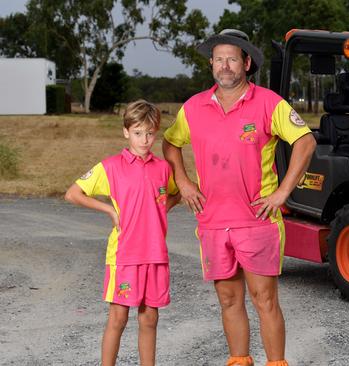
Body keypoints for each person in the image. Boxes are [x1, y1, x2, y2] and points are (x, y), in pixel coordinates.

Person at [162, 29, 316, 366]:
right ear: (212, 65)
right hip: (214, 223)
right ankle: (239, 360)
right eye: (219, 59)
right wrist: (184, 182)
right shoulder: (194, 107)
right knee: (229, 301)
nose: (225, 66)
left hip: (257, 222)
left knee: (265, 300)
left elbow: (305, 142)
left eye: (232, 58)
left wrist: (283, 192)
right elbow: (170, 143)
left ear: (246, 62)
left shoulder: (269, 103)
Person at [65, 100, 180, 366]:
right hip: (124, 255)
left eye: (150, 133)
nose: (145, 139)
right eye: (138, 133)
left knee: (150, 319)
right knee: (118, 318)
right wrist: (109, 211)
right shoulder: (111, 166)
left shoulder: (163, 169)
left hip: (155, 254)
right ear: (126, 132)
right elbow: (73, 193)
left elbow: (174, 195)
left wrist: (161, 210)